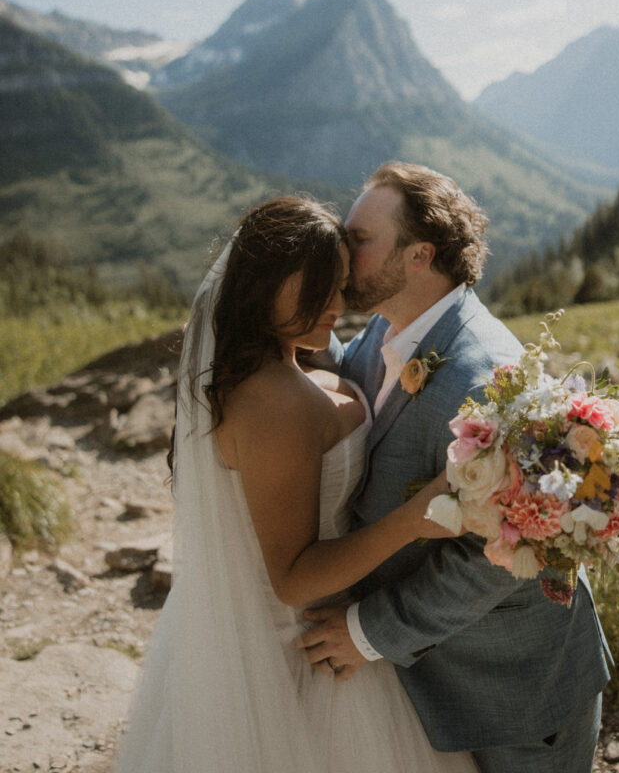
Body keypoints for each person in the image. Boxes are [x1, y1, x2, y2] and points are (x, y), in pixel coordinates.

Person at [113, 195, 478, 773]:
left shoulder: (285, 365)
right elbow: (292, 578)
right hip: (297, 649)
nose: (338, 304)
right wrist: (415, 518)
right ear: (264, 284)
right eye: (319, 288)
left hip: (302, 635)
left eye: (338, 284)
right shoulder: (274, 403)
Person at [300, 162, 612, 773]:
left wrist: (369, 632)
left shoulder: (486, 378)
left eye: (359, 240)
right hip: (440, 672)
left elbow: (497, 559)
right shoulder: (390, 332)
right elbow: (359, 385)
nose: (342, 253)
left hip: (516, 691)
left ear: (420, 255)